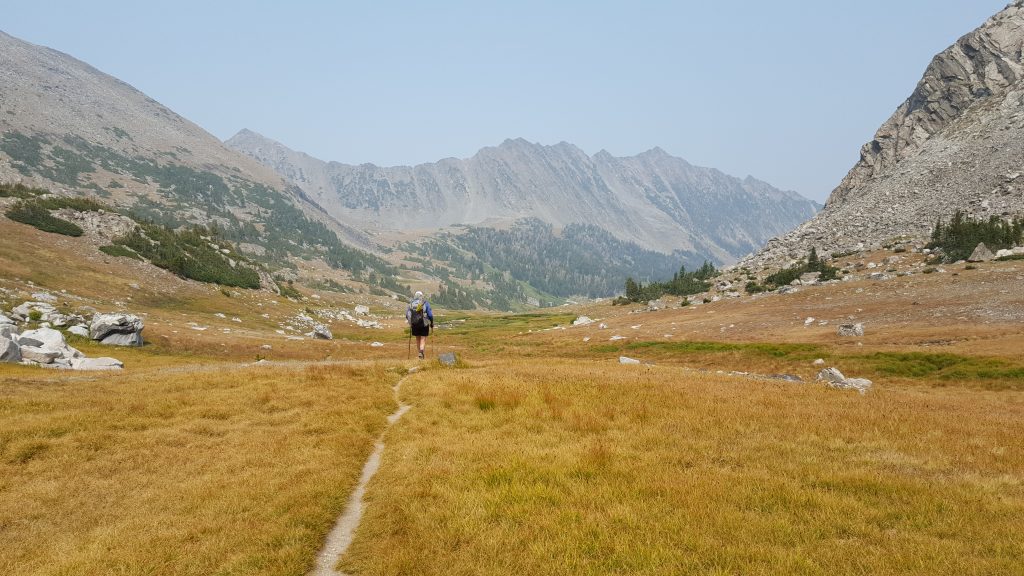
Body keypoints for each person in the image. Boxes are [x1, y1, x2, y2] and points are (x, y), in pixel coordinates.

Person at [406, 290, 433, 359]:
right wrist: (431, 322)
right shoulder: (425, 303)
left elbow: (407, 315)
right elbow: (430, 314)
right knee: (423, 338)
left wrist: (410, 323)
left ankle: (420, 354)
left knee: (417, 338)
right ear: (421, 296)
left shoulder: (411, 304)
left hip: (414, 324)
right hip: (424, 323)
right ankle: (421, 352)